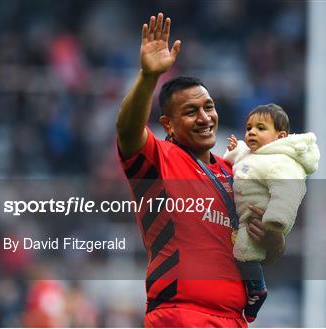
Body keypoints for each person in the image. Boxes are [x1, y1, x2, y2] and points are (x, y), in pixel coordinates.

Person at [115, 13, 285, 327]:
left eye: (208, 107)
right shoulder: (157, 160)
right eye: (191, 112)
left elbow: (265, 247)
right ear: (167, 124)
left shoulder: (235, 175)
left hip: (234, 320)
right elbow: (127, 131)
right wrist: (148, 78)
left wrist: (272, 240)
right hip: (180, 315)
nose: (205, 118)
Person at [224, 104, 319, 321]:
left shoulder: (282, 162)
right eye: (248, 128)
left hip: (257, 220)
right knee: (242, 253)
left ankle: (257, 289)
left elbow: (287, 190)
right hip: (243, 217)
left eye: (260, 128)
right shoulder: (251, 153)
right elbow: (241, 155)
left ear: (280, 136)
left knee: (245, 253)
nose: (252, 133)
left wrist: (276, 220)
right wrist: (233, 149)